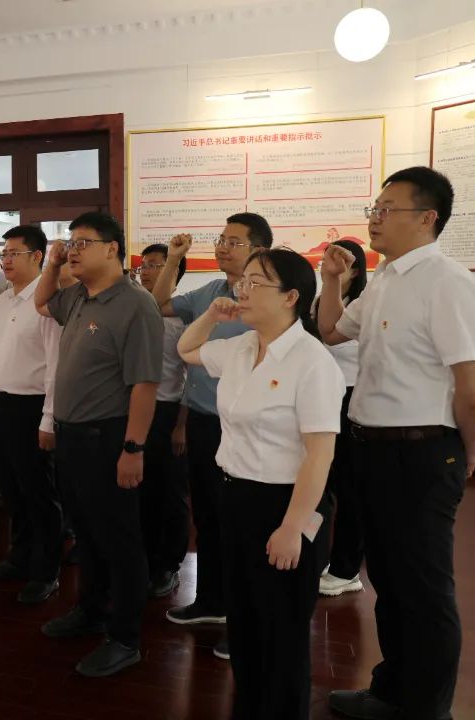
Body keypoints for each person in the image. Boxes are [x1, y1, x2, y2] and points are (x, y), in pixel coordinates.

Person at [319, 167, 475, 720]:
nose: (374, 217)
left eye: (386, 208)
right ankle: (392, 692)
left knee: (423, 589)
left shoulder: (447, 282)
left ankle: (426, 709)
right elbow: (330, 332)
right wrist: (330, 280)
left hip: (421, 452)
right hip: (371, 449)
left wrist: (466, 454)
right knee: (389, 582)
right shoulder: (384, 279)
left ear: (426, 218)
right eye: (374, 207)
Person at [178, 248, 343, 719]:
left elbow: (320, 454)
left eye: (257, 283)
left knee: (282, 629)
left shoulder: (312, 362)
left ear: (291, 297)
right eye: (242, 282)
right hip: (236, 496)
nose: (243, 291)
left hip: (286, 504)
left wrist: (292, 528)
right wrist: (211, 315)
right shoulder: (242, 347)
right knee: (246, 620)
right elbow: (186, 350)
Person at [34, 212, 165, 678]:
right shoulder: (78, 296)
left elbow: (145, 384)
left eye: (83, 243)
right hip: (71, 436)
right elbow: (41, 302)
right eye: (70, 242)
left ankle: (125, 637)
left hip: (108, 438)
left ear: (112, 249)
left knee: (119, 539)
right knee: (86, 534)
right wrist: (52, 264)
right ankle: (90, 609)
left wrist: (133, 449)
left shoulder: (136, 305)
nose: (73, 250)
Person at [151, 213, 274, 661]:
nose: (222, 246)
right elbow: (158, 303)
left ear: (259, 250)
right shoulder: (210, 292)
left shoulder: (268, 300)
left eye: (234, 241)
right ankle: (211, 601)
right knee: (206, 515)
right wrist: (173, 259)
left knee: (242, 524)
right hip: (205, 420)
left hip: (247, 425)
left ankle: (245, 621)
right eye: (221, 239)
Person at [0, 225, 63, 604]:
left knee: (39, 493)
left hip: (31, 408)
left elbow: (54, 367)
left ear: (37, 257)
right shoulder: (3, 299)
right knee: (11, 490)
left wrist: (49, 420)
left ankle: (46, 571)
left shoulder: (47, 302)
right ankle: (19, 558)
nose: (4, 260)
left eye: (12, 253)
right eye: (3, 253)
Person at [312, 239, 367, 597]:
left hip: (350, 398)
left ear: (356, 270)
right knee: (319, 483)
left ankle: (347, 569)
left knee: (349, 488)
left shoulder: (361, 306)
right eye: (325, 260)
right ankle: (318, 556)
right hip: (320, 398)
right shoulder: (318, 302)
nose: (329, 267)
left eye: (340, 262)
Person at [135, 243, 190, 599]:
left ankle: (168, 565)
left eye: (155, 265)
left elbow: (192, 375)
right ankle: (144, 558)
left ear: (174, 271)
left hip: (168, 412)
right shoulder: (136, 308)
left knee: (169, 492)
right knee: (140, 490)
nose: (146, 270)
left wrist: (181, 424)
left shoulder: (184, 315)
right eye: (144, 265)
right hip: (134, 411)